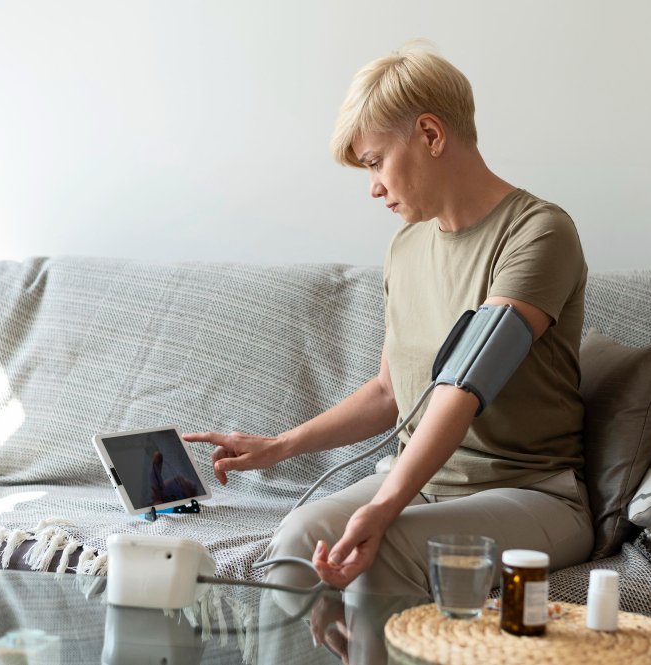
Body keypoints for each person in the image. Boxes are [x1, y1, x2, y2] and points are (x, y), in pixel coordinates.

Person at [184, 42, 593, 600]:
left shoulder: (537, 233)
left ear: (430, 134)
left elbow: (464, 385)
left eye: (376, 162)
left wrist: (383, 504)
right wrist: (280, 446)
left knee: (382, 553)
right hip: (423, 486)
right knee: (297, 538)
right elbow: (388, 392)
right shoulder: (406, 246)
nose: (373, 186)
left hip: (532, 493)